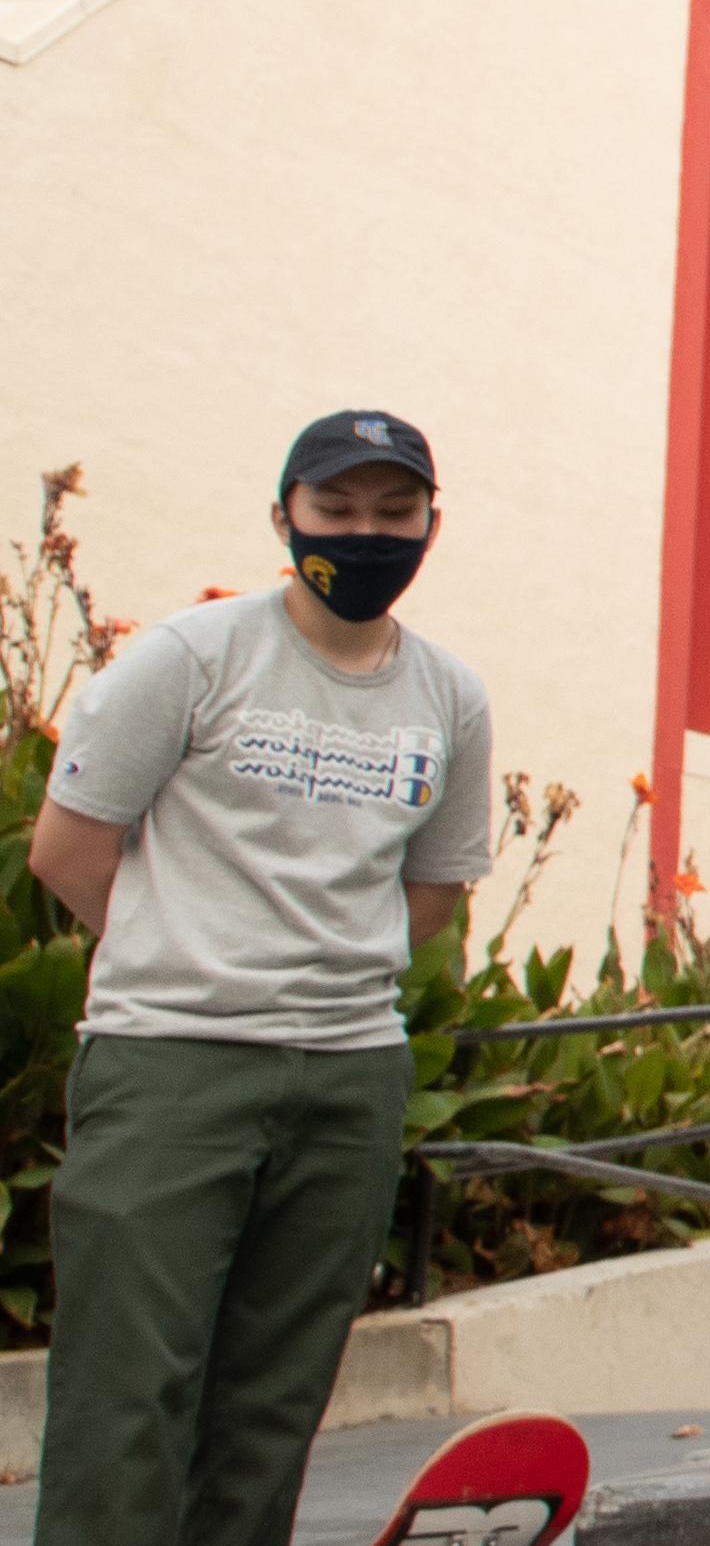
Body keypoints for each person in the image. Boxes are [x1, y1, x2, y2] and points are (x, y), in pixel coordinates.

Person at [30, 409, 496, 1546]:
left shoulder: (449, 697)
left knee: (271, 1407)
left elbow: (430, 895)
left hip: (348, 1079)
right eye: (337, 509)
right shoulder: (195, 658)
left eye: (394, 512)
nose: (365, 532)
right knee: (125, 1392)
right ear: (284, 514)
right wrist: (186, 945)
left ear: (432, 524)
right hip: (172, 1061)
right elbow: (68, 847)